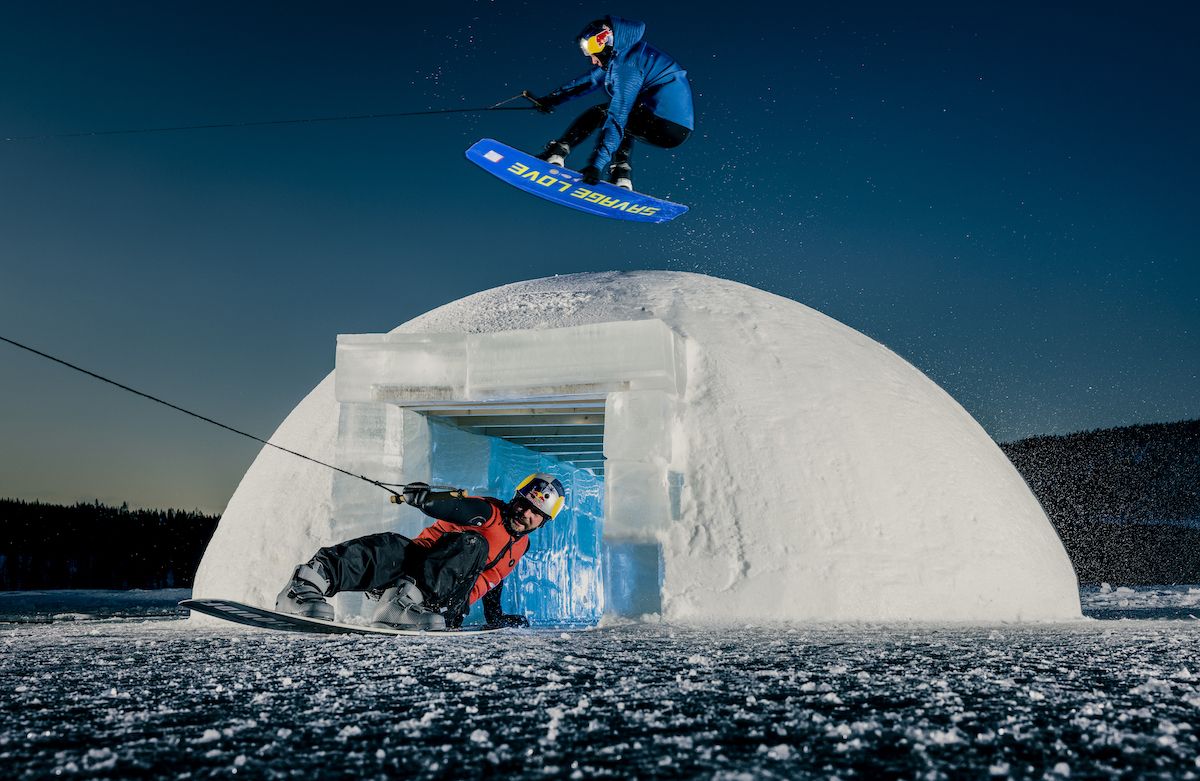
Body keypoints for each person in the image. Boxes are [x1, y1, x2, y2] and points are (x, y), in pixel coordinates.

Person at [275, 473, 566, 630]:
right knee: (393, 546)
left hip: (444, 605)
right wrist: (428, 500)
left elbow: (493, 579)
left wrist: (496, 617)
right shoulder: (489, 513)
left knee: (475, 547)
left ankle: (409, 605)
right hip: (414, 571)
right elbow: (459, 507)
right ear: (515, 498)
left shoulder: (521, 546)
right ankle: (308, 582)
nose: (525, 513)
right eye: (523, 503)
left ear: (543, 521)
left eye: (535, 512)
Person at [525, 16, 693, 192]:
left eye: (592, 50)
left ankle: (557, 153)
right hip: (676, 128)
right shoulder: (625, 54)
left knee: (602, 113)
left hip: (664, 125)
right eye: (587, 51)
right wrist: (550, 99)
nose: (592, 59)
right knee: (627, 121)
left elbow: (618, 115)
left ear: (606, 42)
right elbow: (589, 81)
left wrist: (596, 165)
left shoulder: (627, 66)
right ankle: (621, 174)